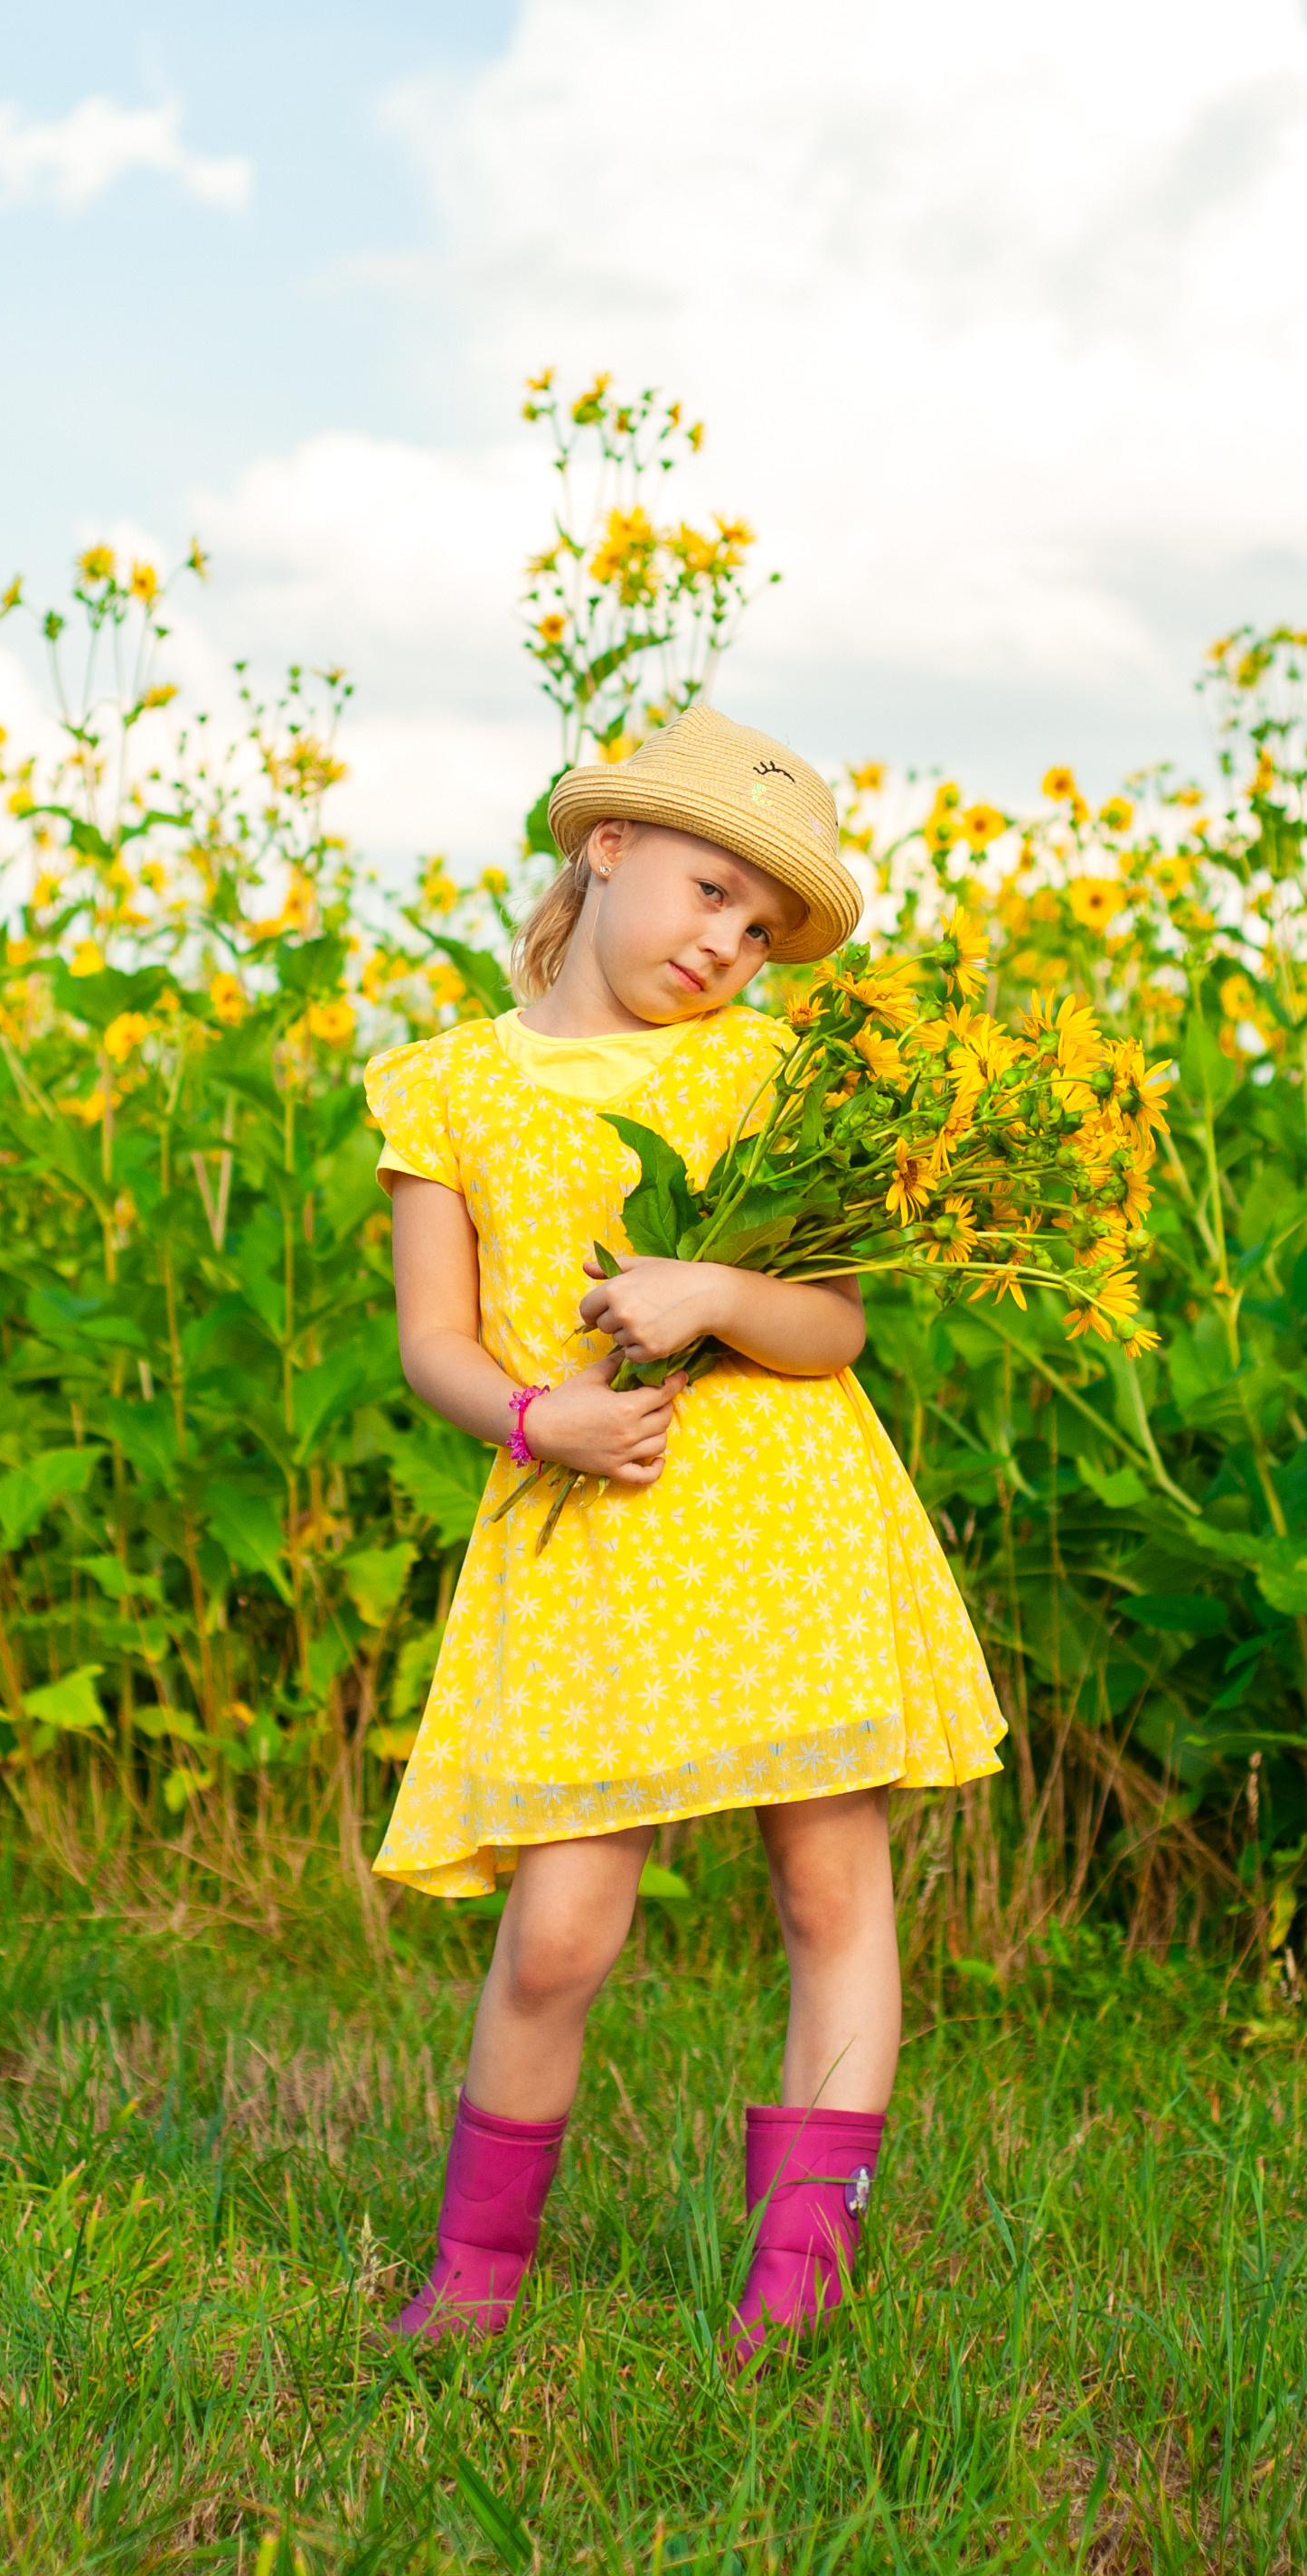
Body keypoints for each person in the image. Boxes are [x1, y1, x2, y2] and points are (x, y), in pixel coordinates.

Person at [364, 705, 1005, 2365]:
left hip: (785, 1526)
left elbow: (832, 1328)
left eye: (761, 927)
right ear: (609, 845)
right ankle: (477, 2274)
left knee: (827, 1885)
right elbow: (433, 1337)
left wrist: (717, 1290)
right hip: (593, 1523)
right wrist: (532, 1416)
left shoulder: (779, 1072)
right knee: (562, 1925)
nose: (728, 944)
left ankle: (796, 2285)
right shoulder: (444, 1086)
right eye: (712, 892)